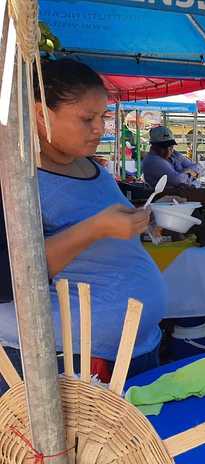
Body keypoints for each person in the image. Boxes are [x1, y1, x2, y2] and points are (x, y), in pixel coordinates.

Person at [0, 59, 166, 393]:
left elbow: (103, 230)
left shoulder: (90, 166)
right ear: (40, 114)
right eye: (87, 119)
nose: (99, 129)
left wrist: (144, 216)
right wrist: (96, 228)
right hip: (67, 360)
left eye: (103, 116)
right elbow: (9, 275)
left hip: (133, 347)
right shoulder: (13, 178)